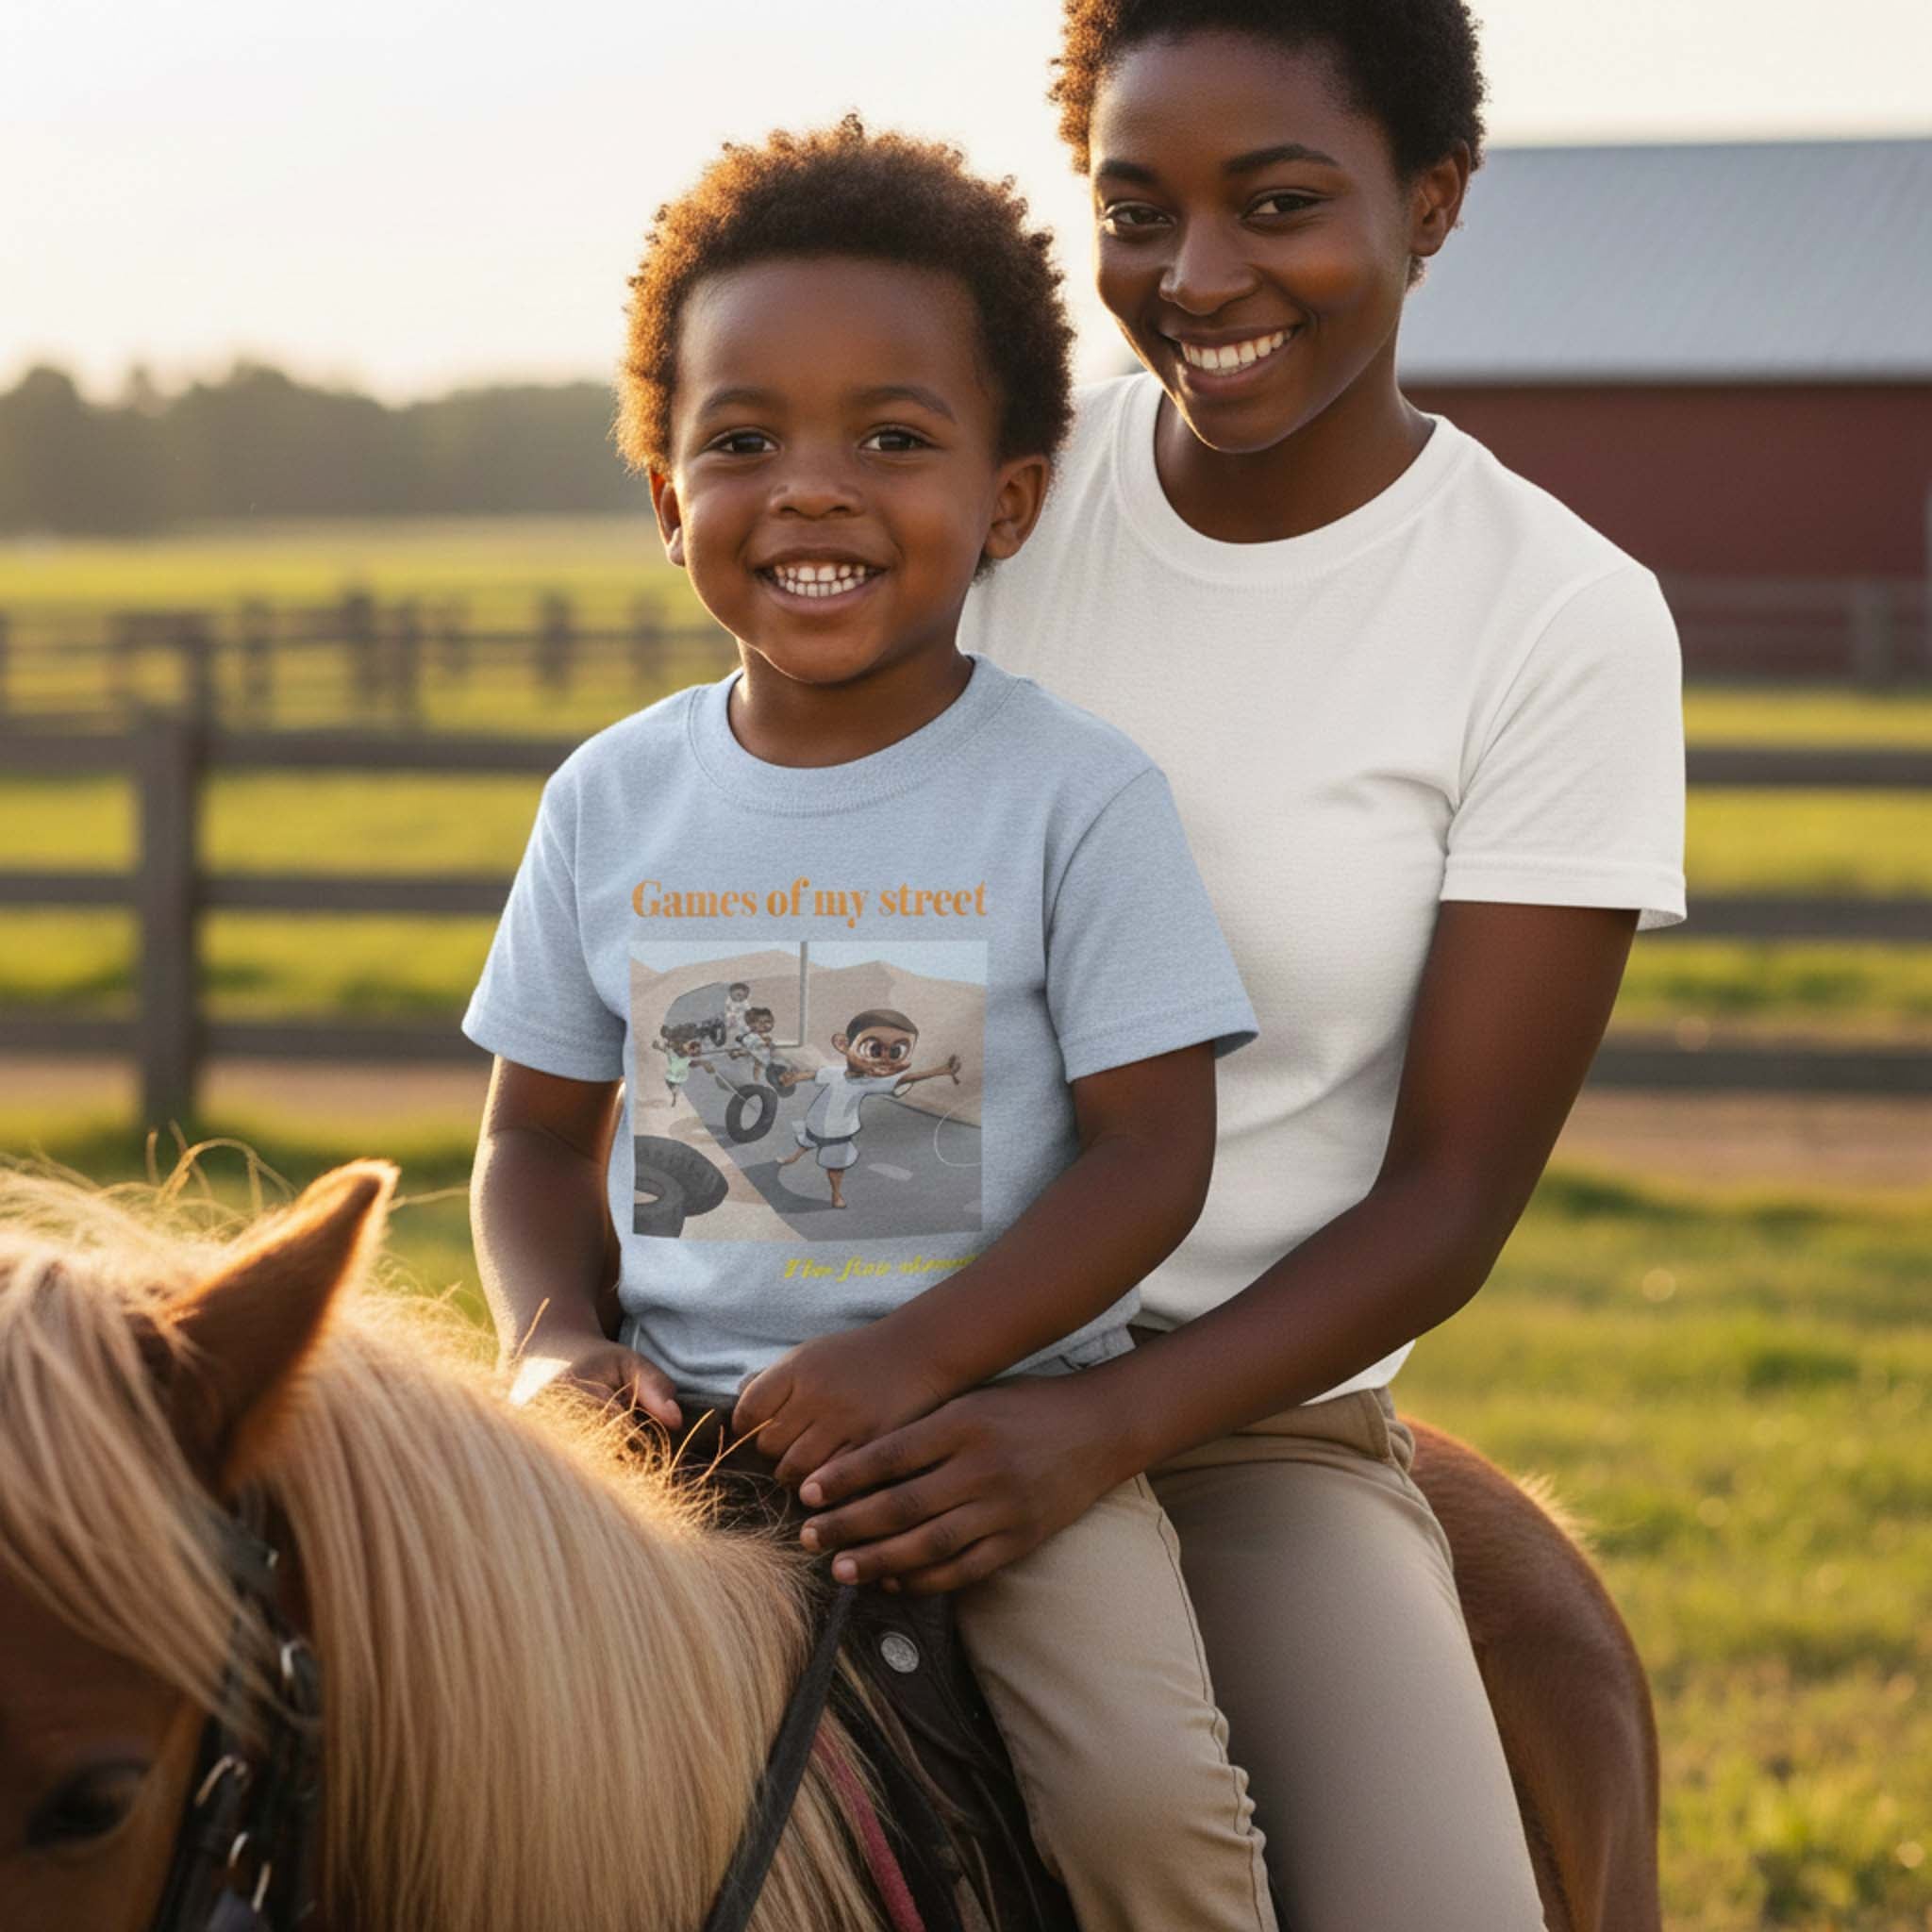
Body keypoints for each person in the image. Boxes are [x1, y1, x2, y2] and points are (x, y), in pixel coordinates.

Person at [793, 6, 1688, 1927]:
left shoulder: (1558, 621)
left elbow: (1448, 1193)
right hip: (860, 1344)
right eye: (1135, 210)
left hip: (1240, 1421)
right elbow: (798, 927)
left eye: (1275, 204)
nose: (1194, 279)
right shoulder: (989, 505)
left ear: (1429, 203)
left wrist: (1091, 1424)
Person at [464, 120, 1280, 1931]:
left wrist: (920, 1368)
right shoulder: (610, 800)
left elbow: (1155, 1156)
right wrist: (548, 1344)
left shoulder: (1075, 797)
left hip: (989, 1459)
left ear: (1005, 499)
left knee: (1149, 1811)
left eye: (890, 441)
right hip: (668, 1451)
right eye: (742, 441)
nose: (811, 491)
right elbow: (531, 1141)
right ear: (666, 494)